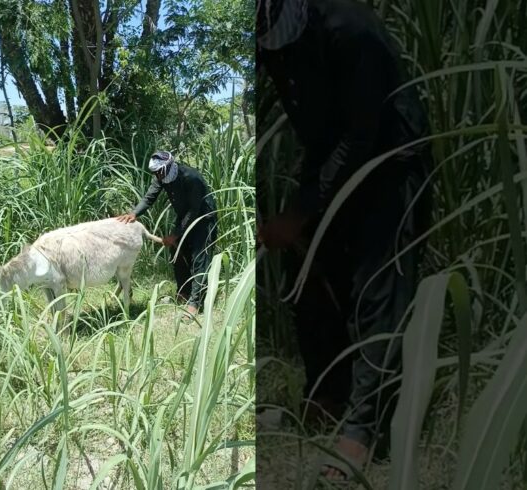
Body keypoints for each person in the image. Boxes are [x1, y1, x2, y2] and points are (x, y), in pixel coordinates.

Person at [255, 0, 432, 483]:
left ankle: (362, 430)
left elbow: (362, 134)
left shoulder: (351, 29)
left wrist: (300, 212)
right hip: (331, 154)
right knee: (305, 269)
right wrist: (296, 215)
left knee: (377, 285)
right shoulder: (271, 41)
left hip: (389, 156)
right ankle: (328, 395)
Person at [116, 151, 218, 320]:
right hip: (185, 216)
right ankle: (183, 292)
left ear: (169, 166)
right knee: (176, 252)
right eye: (155, 173)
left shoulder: (191, 178)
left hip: (203, 218)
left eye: (159, 172)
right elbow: (149, 198)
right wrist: (134, 213)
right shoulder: (161, 178)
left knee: (200, 258)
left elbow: (195, 210)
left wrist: (176, 233)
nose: (157, 176)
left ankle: (194, 303)